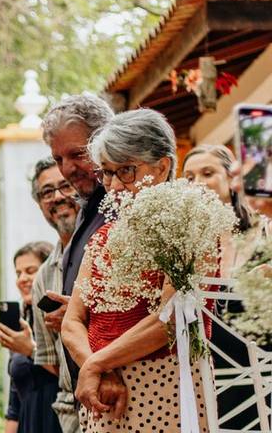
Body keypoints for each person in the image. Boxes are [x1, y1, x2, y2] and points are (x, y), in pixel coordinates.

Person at [62, 109, 209, 432]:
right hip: (100, 392)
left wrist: (98, 363)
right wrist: (97, 368)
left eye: (126, 170)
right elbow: (72, 320)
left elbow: (168, 320)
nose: (113, 186)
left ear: (163, 166)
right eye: (106, 173)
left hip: (162, 386)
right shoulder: (102, 237)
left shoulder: (188, 227)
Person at [182, 144, 269, 429]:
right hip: (213, 378)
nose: (198, 183)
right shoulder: (185, 247)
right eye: (189, 177)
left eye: (208, 173)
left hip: (264, 372)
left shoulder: (265, 229)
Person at [40, 94, 113, 390]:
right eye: (58, 159)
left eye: (77, 154)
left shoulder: (122, 206)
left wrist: (82, 310)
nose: (67, 169)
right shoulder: (87, 209)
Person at [26, 158, 80, 433]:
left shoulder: (106, 248)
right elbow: (49, 359)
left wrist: (78, 319)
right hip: (71, 412)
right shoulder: (43, 278)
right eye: (47, 192)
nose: (58, 197)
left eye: (66, 186)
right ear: (39, 204)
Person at [0, 242, 60, 433]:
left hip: (58, 421)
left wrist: (31, 351)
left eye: (30, 271)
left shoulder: (61, 318)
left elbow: (72, 377)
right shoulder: (22, 323)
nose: (22, 279)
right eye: (18, 273)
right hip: (27, 423)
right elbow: (14, 403)